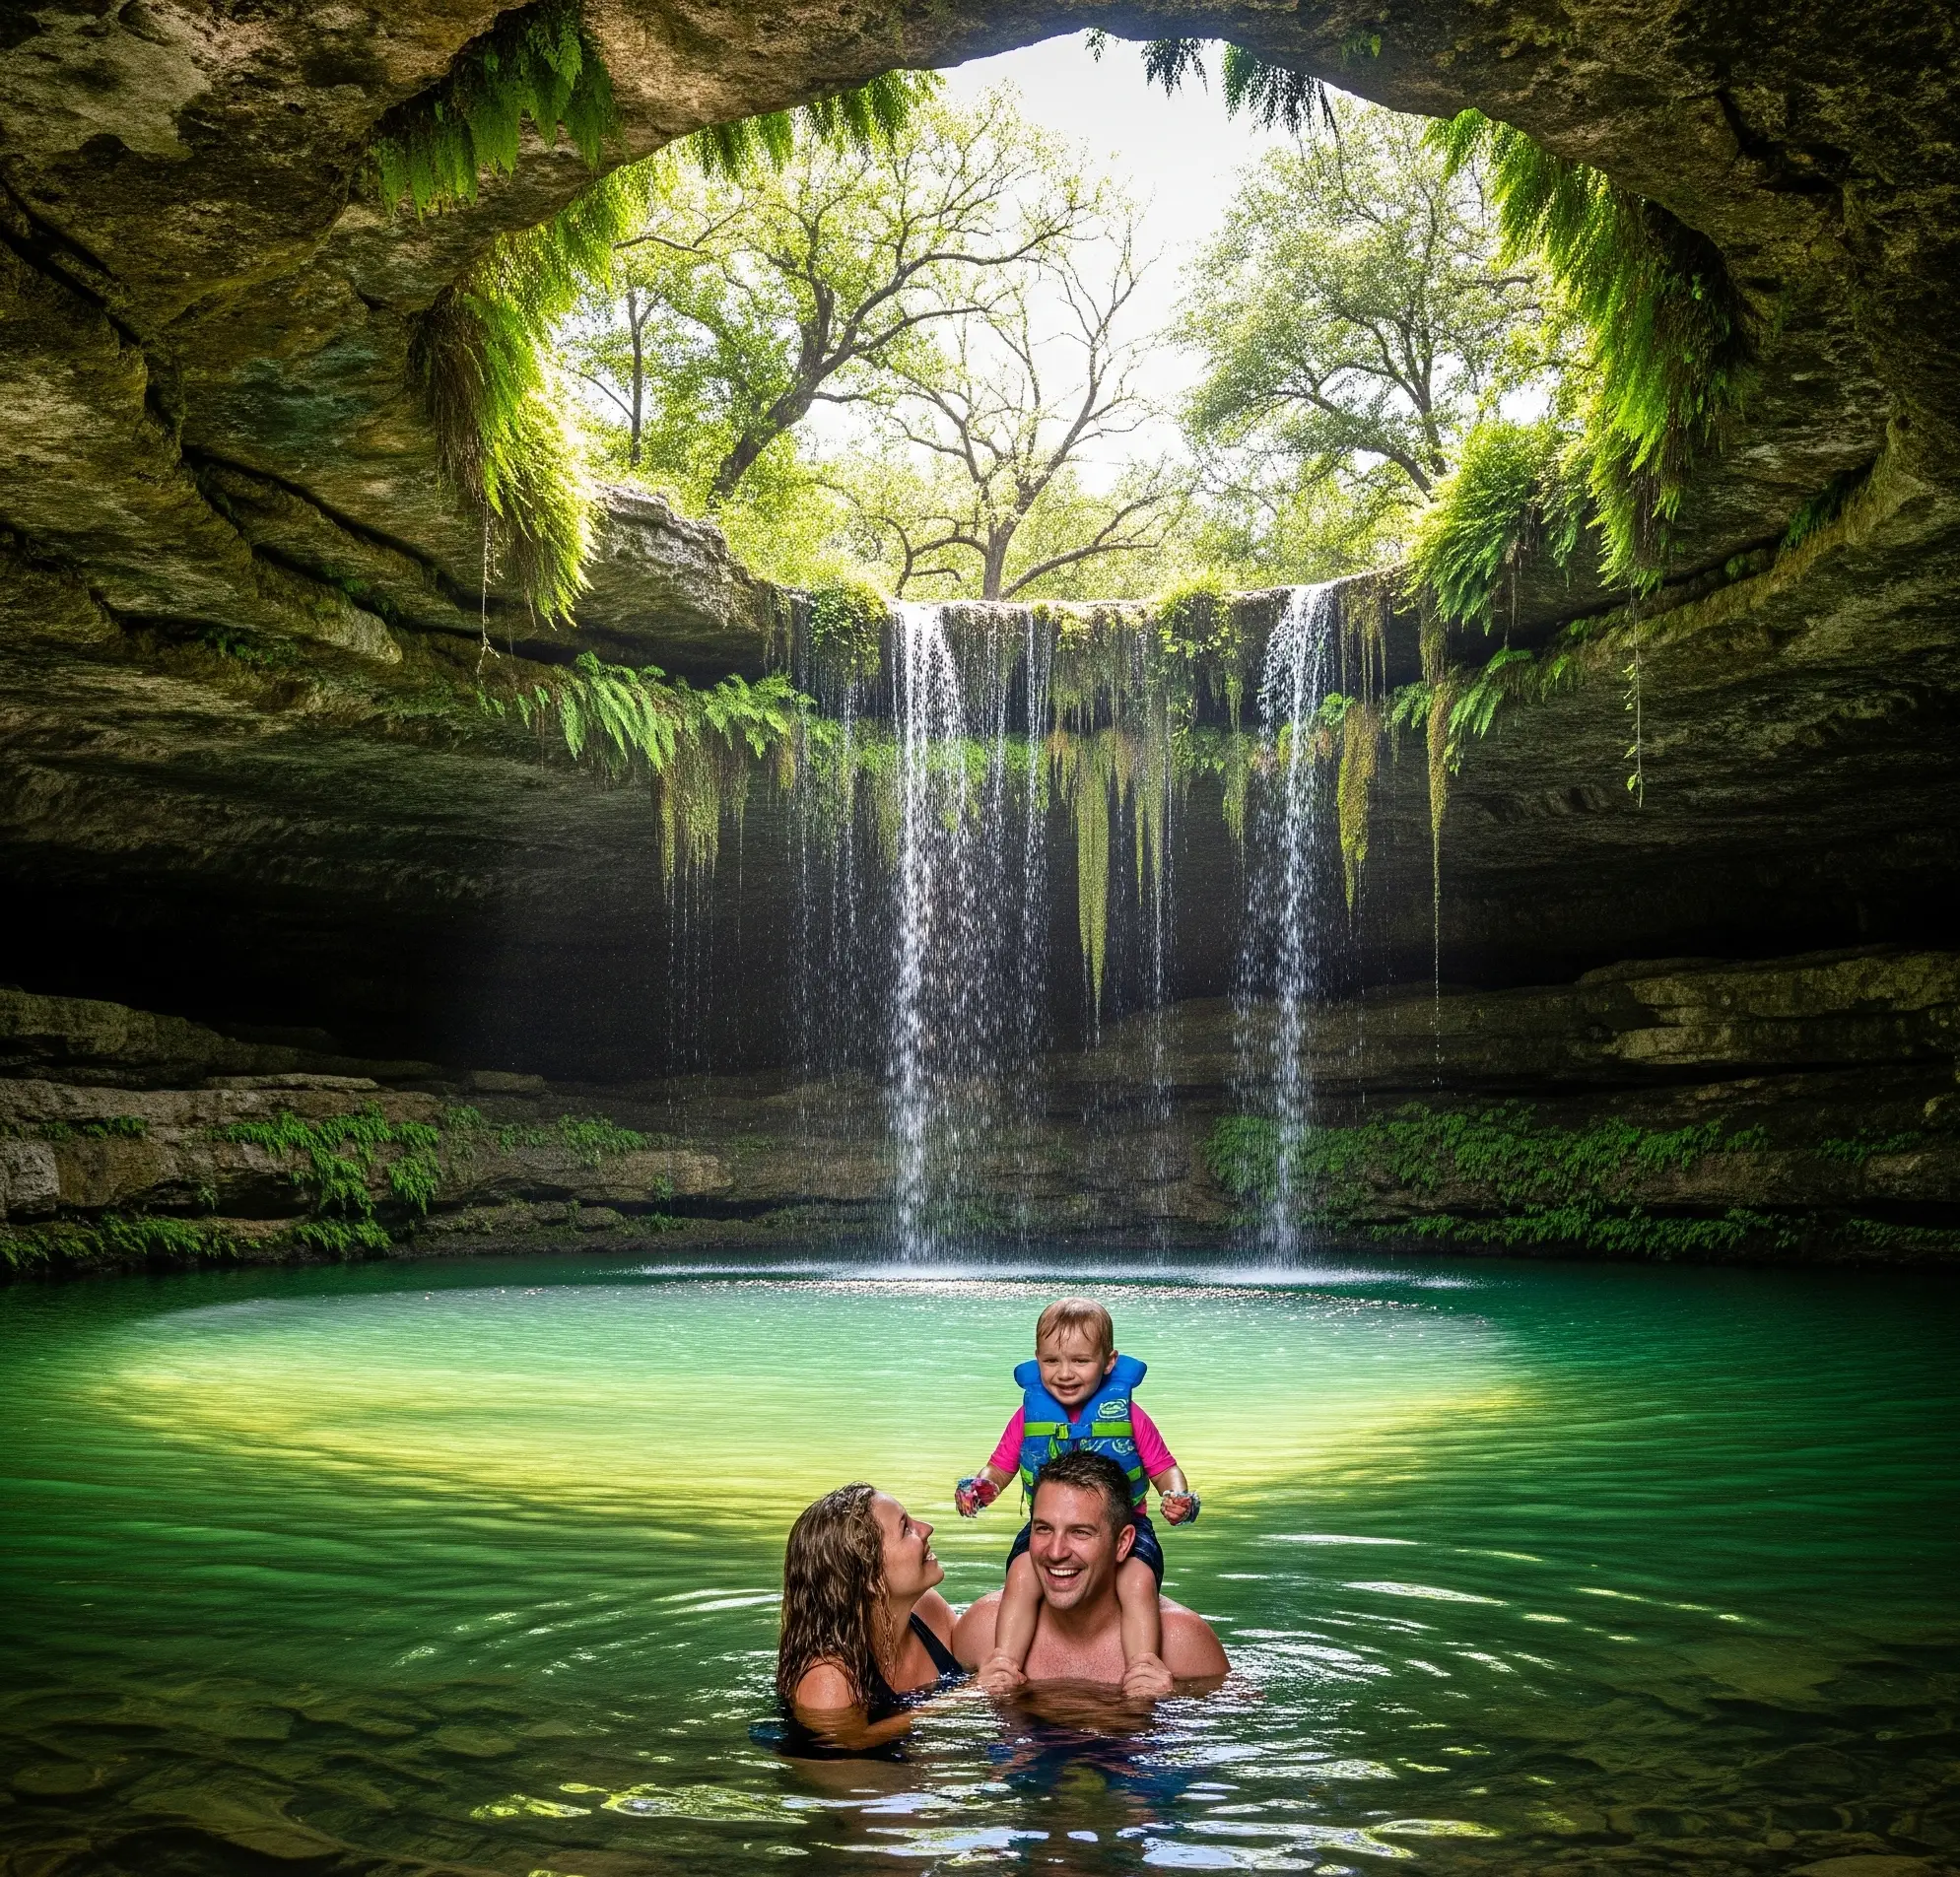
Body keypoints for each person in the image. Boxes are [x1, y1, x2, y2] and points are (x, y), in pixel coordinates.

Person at [954, 1298, 1199, 1696]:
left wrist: (1177, 1494)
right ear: (1037, 1360)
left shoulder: (1128, 1414)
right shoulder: (1029, 1417)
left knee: (1137, 1580)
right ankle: (1005, 1664)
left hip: (1128, 1526)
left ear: (1109, 1361)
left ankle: (1142, 1668)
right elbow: (999, 1467)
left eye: (1080, 1361)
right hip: (1052, 1527)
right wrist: (982, 1488)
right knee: (1020, 1575)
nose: (1064, 1374)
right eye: (1051, 1362)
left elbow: (1163, 1466)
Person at [953, 1450, 1229, 1698]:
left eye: (1080, 1532)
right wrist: (970, 1694)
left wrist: (1173, 1702)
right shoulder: (982, 1630)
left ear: (1122, 1544)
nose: (1056, 1551)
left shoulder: (1185, 1642)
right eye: (1044, 1529)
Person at [776, 1482, 965, 1750]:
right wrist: (960, 1698)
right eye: (906, 1529)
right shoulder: (829, 1679)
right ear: (871, 1579)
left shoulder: (929, 1609)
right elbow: (841, 1754)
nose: (926, 1528)